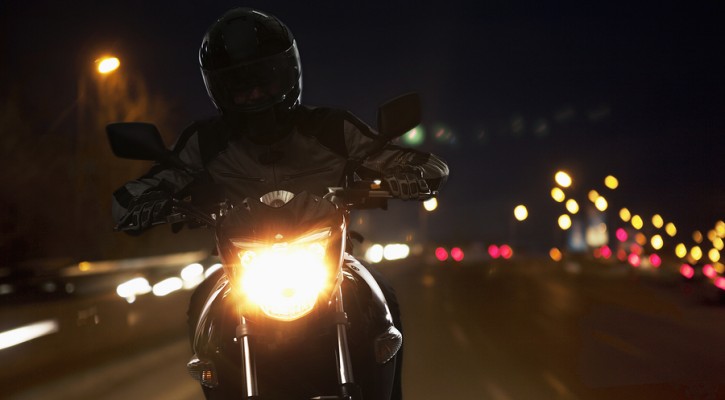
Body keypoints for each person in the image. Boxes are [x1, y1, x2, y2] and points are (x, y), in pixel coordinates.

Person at [112, 7, 448, 399]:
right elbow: (147, 186)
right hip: (246, 271)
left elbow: (402, 159)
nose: (255, 94)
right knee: (203, 299)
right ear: (219, 89)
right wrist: (145, 200)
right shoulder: (204, 142)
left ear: (288, 73)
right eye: (241, 85)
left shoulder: (330, 128)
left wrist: (408, 173)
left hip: (327, 264)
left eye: (265, 80)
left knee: (381, 295)